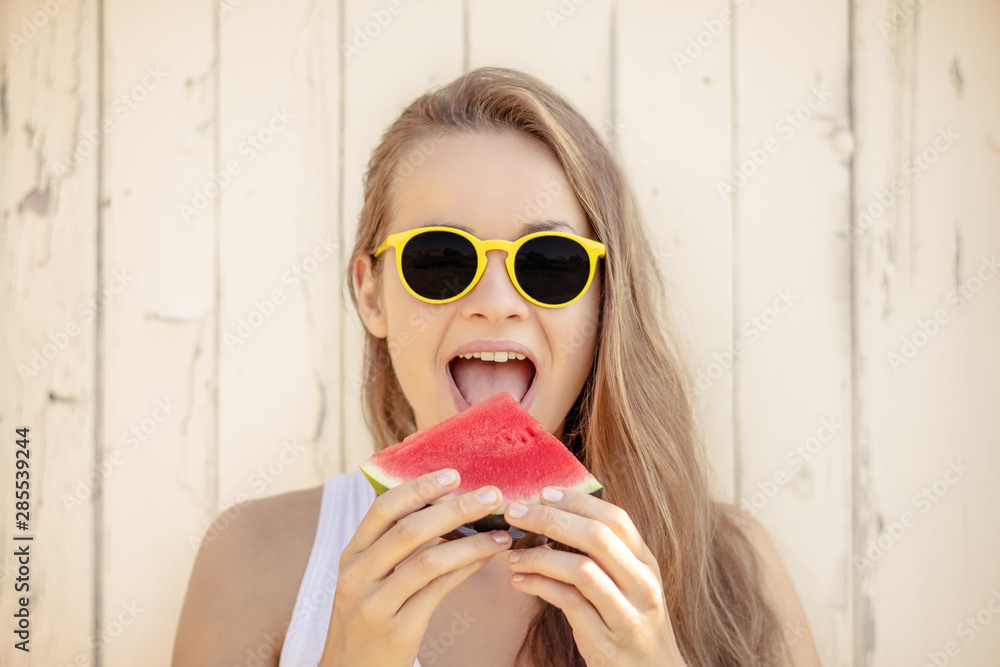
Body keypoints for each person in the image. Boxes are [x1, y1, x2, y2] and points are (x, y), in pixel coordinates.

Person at [172, 67, 822, 667]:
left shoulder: (735, 565)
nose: (494, 304)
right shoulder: (252, 557)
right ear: (372, 294)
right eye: (440, 259)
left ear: (605, 298)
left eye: (549, 261)